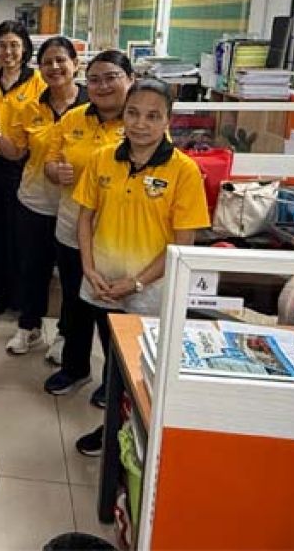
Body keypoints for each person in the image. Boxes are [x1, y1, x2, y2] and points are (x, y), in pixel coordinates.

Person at [70, 79, 210, 456]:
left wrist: (135, 283)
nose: (140, 124)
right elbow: (85, 218)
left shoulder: (184, 171)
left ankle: (141, 438)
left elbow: (182, 243)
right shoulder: (102, 158)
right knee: (113, 363)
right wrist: (89, 268)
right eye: (133, 113)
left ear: (168, 120)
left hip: (150, 292)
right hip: (102, 283)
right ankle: (114, 432)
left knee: (144, 369)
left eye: (152, 116)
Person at [43, 50, 134, 402]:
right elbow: (49, 163)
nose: (102, 86)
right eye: (94, 80)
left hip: (118, 236)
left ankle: (116, 381)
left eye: (112, 77)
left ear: (130, 80)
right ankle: (74, 367)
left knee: (112, 308)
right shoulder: (73, 118)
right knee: (75, 302)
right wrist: (57, 171)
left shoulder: (141, 122)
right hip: (71, 228)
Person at [0, 36, 88, 357]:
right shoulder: (31, 108)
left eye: (61, 60)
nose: (54, 67)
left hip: (78, 207)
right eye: (47, 62)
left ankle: (65, 334)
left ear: (76, 64)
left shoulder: (91, 108)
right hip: (34, 201)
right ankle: (29, 326)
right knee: (32, 268)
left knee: (72, 275)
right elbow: (15, 152)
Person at [0, 20, 47, 315]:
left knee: (19, 232)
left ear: (25, 48)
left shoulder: (37, 83)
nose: (8, 52)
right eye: (2, 45)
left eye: (14, 45)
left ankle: (19, 295)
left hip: (22, 164)